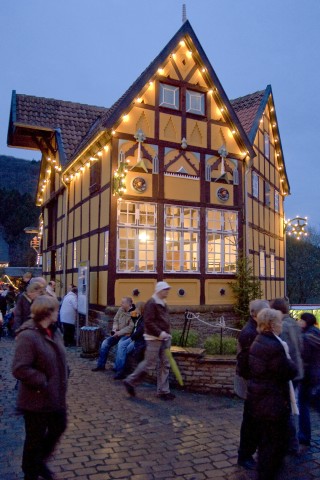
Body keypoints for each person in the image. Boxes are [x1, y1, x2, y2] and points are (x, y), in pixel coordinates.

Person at [12, 295, 68, 480]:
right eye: (56, 310)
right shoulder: (28, 335)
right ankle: (31, 471)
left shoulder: (54, 331)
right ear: (47, 313)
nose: (58, 313)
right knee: (34, 439)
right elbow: (20, 368)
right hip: (35, 399)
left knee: (59, 425)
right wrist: (42, 380)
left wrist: (65, 370)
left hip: (55, 395)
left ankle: (38, 463)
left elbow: (58, 354)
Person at [247, 308, 298, 480]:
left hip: (260, 398)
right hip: (272, 400)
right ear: (272, 324)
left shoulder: (259, 340)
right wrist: (290, 362)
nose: (281, 324)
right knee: (274, 441)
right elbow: (287, 371)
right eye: (279, 321)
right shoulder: (274, 345)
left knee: (267, 440)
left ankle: (266, 471)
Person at [123, 281, 175, 400]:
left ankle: (163, 391)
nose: (167, 292)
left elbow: (165, 320)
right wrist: (160, 333)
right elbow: (149, 322)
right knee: (148, 363)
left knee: (165, 364)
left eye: (168, 289)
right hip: (153, 338)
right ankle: (130, 381)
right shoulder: (151, 303)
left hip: (165, 337)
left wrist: (167, 333)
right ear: (159, 291)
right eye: (165, 290)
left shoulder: (163, 302)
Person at [237, 299, 269, 469]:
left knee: (254, 421)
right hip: (253, 385)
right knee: (250, 422)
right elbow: (244, 363)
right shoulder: (249, 333)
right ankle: (244, 455)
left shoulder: (255, 329)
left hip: (256, 385)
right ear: (256, 314)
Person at [271, 297, 304, 454]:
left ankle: (292, 443)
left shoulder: (282, 326)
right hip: (298, 370)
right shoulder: (294, 324)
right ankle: (295, 440)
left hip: (289, 372)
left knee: (289, 408)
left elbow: (283, 352)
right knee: (294, 405)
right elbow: (301, 347)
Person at [92, 296, 135, 372]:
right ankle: (100, 365)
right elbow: (115, 319)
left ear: (128, 304)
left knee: (120, 345)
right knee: (105, 343)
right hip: (117, 333)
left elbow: (131, 327)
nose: (121, 304)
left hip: (126, 335)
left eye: (123, 303)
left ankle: (118, 369)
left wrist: (119, 333)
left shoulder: (134, 313)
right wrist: (115, 328)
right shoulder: (121, 309)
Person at [298, 312, 320, 447]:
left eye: (301, 320)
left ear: (306, 321)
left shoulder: (307, 337)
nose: (298, 322)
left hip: (308, 375)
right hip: (316, 374)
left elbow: (303, 356)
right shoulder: (317, 333)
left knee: (303, 404)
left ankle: (304, 435)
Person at [113, 301, 145, 380]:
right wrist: (131, 308)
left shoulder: (144, 319)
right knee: (124, 350)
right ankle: (121, 370)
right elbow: (132, 316)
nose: (136, 309)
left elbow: (139, 332)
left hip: (138, 340)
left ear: (141, 309)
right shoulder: (139, 317)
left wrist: (131, 338)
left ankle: (120, 371)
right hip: (133, 338)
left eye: (137, 308)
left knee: (122, 346)